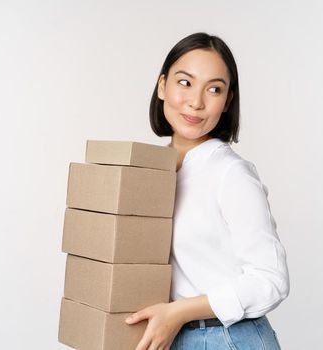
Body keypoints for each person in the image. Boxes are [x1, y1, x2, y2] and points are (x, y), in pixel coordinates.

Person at [124, 32, 290, 350]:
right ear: (162, 86)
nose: (196, 102)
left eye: (214, 89)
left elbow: (271, 280)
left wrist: (179, 312)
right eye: (185, 82)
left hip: (225, 339)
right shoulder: (152, 173)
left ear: (227, 101)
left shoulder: (230, 173)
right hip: (171, 337)